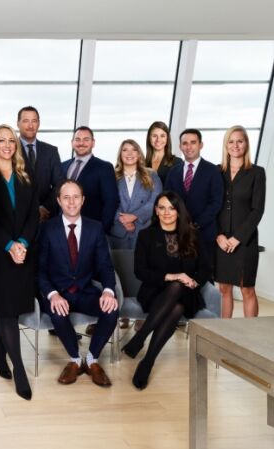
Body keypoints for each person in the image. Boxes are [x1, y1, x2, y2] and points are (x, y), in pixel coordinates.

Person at [0, 105, 64, 347]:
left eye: (34, 120)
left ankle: (43, 319)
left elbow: (58, 185)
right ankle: (1, 329)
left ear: (39, 123)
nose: (30, 124)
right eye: (25, 120)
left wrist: (43, 208)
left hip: (37, 227)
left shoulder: (49, 152)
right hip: (4, 238)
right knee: (3, 291)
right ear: (18, 123)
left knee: (32, 280)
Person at [122, 191, 211, 390]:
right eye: (161, 208)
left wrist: (194, 281)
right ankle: (147, 362)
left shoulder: (193, 234)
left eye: (171, 208)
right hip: (154, 291)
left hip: (187, 293)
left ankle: (140, 339)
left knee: (179, 294)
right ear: (156, 210)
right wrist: (173, 276)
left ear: (179, 211)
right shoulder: (146, 235)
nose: (166, 212)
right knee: (176, 307)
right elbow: (140, 271)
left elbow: (206, 268)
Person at [37, 180, 118, 387]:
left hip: (84, 291)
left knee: (111, 310)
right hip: (58, 292)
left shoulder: (95, 228)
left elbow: (105, 266)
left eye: (76, 197)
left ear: (83, 200)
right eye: (66, 197)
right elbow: (40, 270)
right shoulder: (47, 229)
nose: (71, 202)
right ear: (59, 201)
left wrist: (108, 291)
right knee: (57, 312)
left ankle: (91, 360)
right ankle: (74, 359)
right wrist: (53, 294)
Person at [0, 124, 37, 400]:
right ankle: (20, 370)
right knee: (4, 311)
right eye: (1, 140)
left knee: (13, 311)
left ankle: (1, 352)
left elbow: (34, 215)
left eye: (11, 141)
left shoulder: (26, 175)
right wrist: (9, 245)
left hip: (24, 253)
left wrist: (23, 243)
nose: (6, 145)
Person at [214, 126, 266, 318]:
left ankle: (249, 332)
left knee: (247, 289)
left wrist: (238, 238)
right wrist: (218, 235)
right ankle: (223, 330)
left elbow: (257, 210)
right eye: (231, 141)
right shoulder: (217, 172)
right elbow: (212, 207)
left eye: (240, 141)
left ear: (246, 144)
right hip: (221, 240)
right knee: (224, 289)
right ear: (225, 145)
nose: (235, 145)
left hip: (245, 240)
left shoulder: (257, 173)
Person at [163, 129, 223, 256]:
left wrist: (196, 224)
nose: (189, 147)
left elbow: (216, 202)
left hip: (204, 233)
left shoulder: (213, 171)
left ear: (201, 145)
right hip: (177, 233)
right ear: (180, 146)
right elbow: (167, 200)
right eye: (185, 143)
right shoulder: (173, 172)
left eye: (193, 142)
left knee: (204, 268)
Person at [61, 126, 119, 233]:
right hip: (62, 228)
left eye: (86, 139)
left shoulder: (104, 167)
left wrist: (101, 230)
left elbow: (111, 201)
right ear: (72, 143)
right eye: (77, 139)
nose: (81, 143)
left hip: (90, 230)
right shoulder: (63, 166)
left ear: (93, 143)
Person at [109, 139, 162, 249]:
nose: (129, 153)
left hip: (144, 229)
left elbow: (156, 200)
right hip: (118, 231)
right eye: (125, 150)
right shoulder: (111, 175)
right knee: (119, 260)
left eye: (134, 150)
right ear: (120, 154)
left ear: (139, 154)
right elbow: (106, 201)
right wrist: (122, 219)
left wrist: (135, 216)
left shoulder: (152, 175)